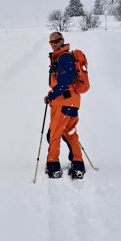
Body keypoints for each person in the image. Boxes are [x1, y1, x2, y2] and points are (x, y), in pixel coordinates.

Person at [44, 31, 85, 179]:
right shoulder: (63, 57)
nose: (54, 44)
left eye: (56, 41)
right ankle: (78, 164)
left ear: (62, 41)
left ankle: (53, 166)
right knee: (70, 133)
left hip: (63, 103)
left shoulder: (65, 57)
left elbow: (64, 82)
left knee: (54, 135)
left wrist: (51, 95)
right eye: (51, 42)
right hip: (72, 102)